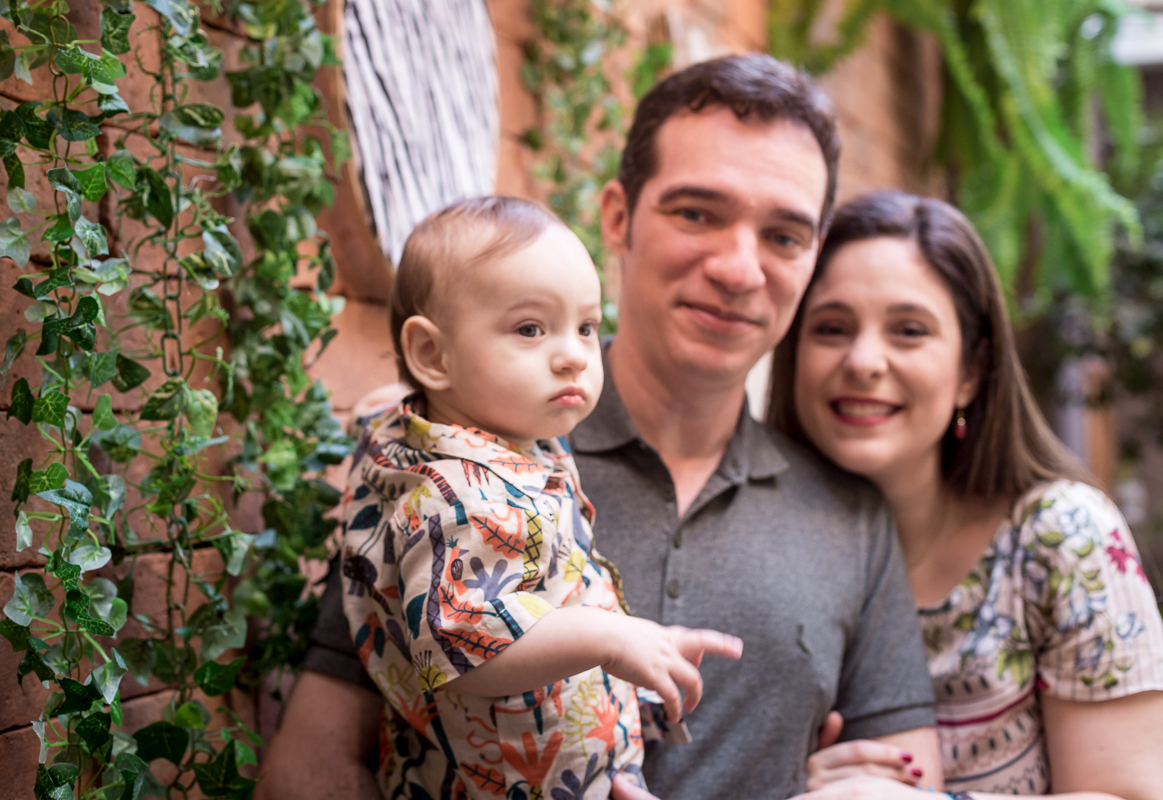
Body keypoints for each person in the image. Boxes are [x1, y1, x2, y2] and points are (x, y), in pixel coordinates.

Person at [257, 55, 942, 800]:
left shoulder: (851, 518)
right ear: (618, 217)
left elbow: (904, 785)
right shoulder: (457, 451)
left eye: (783, 235)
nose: (738, 269)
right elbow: (310, 770)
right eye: (696, 213)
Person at [338, 195, 742, 800]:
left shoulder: (493, 439)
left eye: (587, 327)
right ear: (431, 355)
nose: (574, 356)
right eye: (530, 329)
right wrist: (611, 638)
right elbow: (467, 646)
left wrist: (638, 651)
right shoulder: (456, 500)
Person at [768, 192, 1163, 799]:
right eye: (831, 329)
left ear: (971, 372)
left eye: (909, 331)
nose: (864, 360)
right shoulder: (754, 541)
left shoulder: (1061, 538)